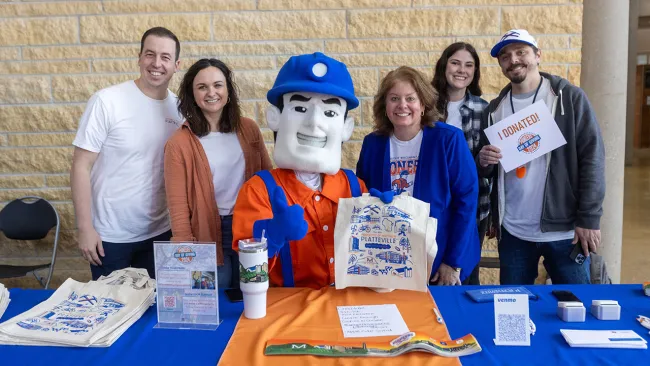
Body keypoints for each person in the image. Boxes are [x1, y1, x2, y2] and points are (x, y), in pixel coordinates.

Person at [476, 29, 605, 285]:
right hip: (513, 231)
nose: (513, 59)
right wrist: (484, 162)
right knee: (514, 310)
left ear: (538, 56)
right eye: (505, 55)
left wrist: (589, 218)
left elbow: (592, 159)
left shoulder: (568, 98)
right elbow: (491, 171)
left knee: (575, 304)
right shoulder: (494, 111)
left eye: (521, 52)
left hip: (565, 230)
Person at [231, 52, 368, 289]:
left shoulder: (354, 187)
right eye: (300, 109)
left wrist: (386, 217)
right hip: (288, 311)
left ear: (346, 128)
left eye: (329, 113)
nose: (314, 122)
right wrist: (270, 238)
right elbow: (249, 276)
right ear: (274, 117)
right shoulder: (259, 191)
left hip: (348, 306)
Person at [71, 27, 182, 280]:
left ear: (176, 65)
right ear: (139, 57)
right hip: (110, 237)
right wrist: (85, 227)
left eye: (165, 57)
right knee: (114, 313)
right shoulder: (106, 101)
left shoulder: (179, 109)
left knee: (155, 312)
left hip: (160, 234)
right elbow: (80, 166)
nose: (156, 63)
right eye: (150, 54)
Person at [356, 66, 480, 286]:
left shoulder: (448, 140)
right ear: (385, 106)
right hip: (390, 260)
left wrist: (452, 263)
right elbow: (365, 201)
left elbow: (466, 202)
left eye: (410, 98)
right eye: (394, 98)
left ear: (422, 104)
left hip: (442, 259)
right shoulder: (373, 144)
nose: (402, 105)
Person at [164, 58, 272, 290]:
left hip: (250, 230)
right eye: (202, 87)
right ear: (192, 95)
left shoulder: (248, 129)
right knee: (212, 301)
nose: (211, 92)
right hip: (207, 233)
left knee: (252, 295)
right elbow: (178, 204)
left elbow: (268, 178)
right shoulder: (179, 143)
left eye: (218, 85)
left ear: (228, 91)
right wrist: (185, 248)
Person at [432, 42, 489, 285]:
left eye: (469, 65)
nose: (461, 70)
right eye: (455, 62)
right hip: (432, 201)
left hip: (471, 204)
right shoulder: (426, 106)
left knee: (464, 270)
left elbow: (489, 167)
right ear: (444, 65)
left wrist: (484, 160)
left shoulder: (484, 109)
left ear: (475, 72)